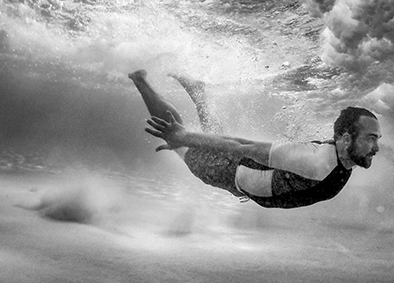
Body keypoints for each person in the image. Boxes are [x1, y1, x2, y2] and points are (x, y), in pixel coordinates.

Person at [129, 70, 380, 209]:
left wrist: (252, 191)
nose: (376, 148)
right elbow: (242, 146)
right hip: (233, 173)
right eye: (370, 139)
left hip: (245, 181)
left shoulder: (342, 159)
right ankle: (139, 79)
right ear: (345, 139)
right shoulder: (315, 162)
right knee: (183, 147)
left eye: (377, 139)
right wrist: (183, 137)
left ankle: (199, 95)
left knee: (217, 145)